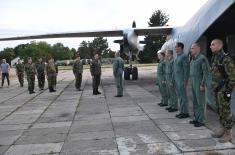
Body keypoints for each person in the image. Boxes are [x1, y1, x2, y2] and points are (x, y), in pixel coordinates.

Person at [210, 39, 235, 143]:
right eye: (211, 44)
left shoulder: (226, 59)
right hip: (217, 89)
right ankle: (222, 129)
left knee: (226, 111)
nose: (210, 46)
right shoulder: (215, 58)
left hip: (224, 89)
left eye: (213, 44)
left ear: (220, 46)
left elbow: (233, 77)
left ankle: (229, 134)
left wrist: (227, 90)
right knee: (219, 110)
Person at [189, 43, 210, 127]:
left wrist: (202, 84)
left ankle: (201, 120)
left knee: (200, 102)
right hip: (193, 82)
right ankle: (196, 118)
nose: (191, 50)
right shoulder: (193, 59)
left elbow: (206, 72)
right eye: (191, 48)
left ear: (198, 49)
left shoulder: (202, 58)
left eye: (193, 48)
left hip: (199, 82)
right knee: (195, 101)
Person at [174, 42, 190, 119]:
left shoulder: (184, 56)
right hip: (177, 80)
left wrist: (185, 80)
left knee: (183, 97)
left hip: (181, 80)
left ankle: (185, 112)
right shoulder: (177, 57)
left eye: (176, 47)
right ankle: (182, 111)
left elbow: (186, 69)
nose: (175, 48)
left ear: (180, 47)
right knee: (180, 97)